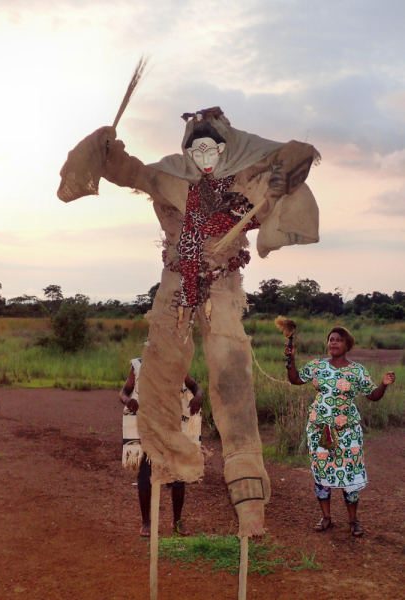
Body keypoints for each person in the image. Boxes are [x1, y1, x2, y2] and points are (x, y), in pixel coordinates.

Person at [59, 106, 320, 537]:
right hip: (175, 288)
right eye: (195, 147)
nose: (203, 155)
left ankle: (249, 497)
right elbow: (130, 171)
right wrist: (107, 149)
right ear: (187, 150)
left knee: (233, 380)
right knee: (158, 378)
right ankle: (166, 462)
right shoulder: (169, 179)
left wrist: (278, 181)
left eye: (211, 146)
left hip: (221, 288)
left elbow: (289, 162)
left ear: (224, 148)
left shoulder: (244, 184)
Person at [285, 326, 395, 537]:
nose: (333, 343)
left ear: (347, 345)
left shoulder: (357, 371)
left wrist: (383, 384)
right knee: (322, 472)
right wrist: (291, 361)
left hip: (348, 432)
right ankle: (326, 518)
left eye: (339, 340)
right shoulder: (317, 366)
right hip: (320, 430)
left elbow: (372, 395)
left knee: (350, 475)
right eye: (331, 339)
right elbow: (295, 379)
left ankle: (353, 521)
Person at [120, 358, 202, 537]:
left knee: (178, 475)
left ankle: (177, 521)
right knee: (145, 475)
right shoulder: (139, 366)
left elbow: (195, 387)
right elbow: (124, 391)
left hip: (173, 428)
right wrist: (128, 401)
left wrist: (198, 397)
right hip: (147, 429)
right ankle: (146, 522)